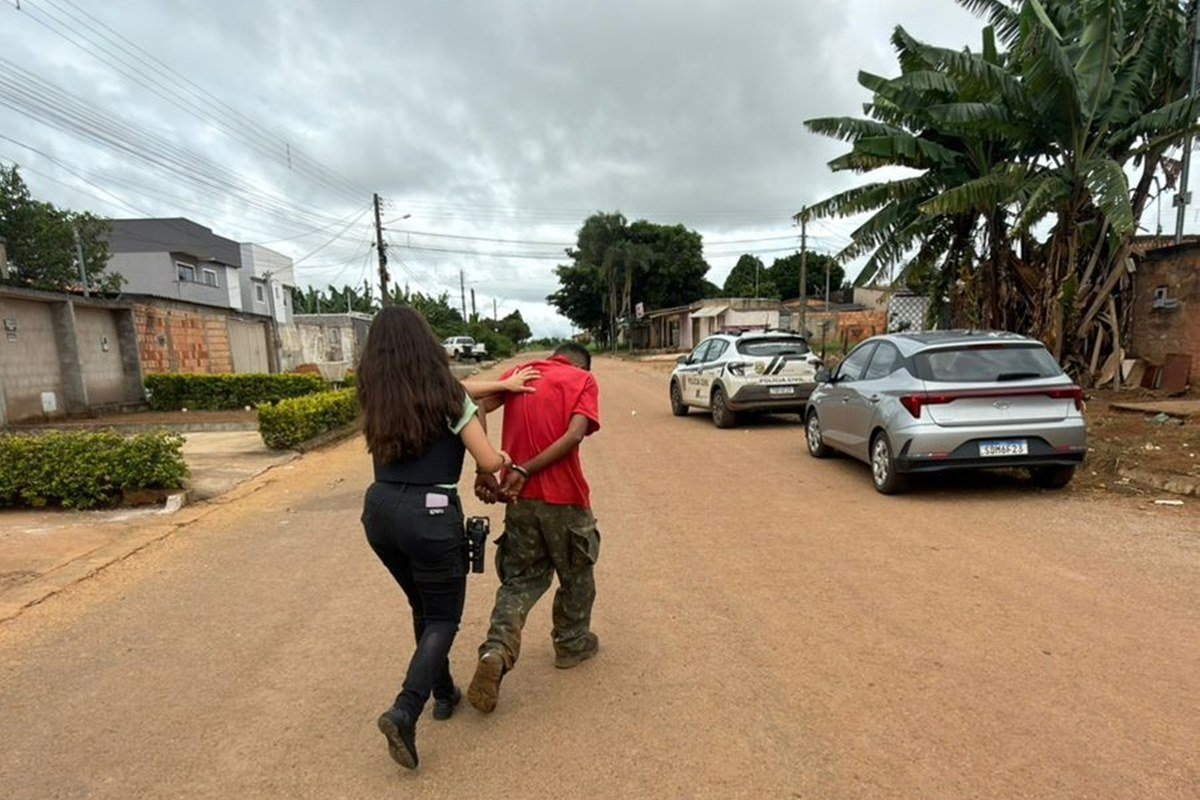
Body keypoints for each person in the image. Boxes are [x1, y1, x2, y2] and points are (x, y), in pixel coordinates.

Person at [357, 306, 535, 770]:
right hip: (431, 515)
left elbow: (459, 389)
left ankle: (442, 694)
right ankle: (404, 710)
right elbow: (490, 461)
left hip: (379, 512)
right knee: (443, 618)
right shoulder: (449, 400)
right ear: (427, 346)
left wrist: (501, 386)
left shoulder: (377, 393)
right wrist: (502, 454)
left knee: (423, 606)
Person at [467, 341, 602, 714]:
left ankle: (496, 649)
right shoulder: (582, 380)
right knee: (577, 573)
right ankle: (572, 644)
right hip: (565, 500)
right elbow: (575, 434)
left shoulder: (520, 373)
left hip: (518, 499)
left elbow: (473, 403)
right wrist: (529, 469)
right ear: (582, 365)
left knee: (520, 580)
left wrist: (486, 467)